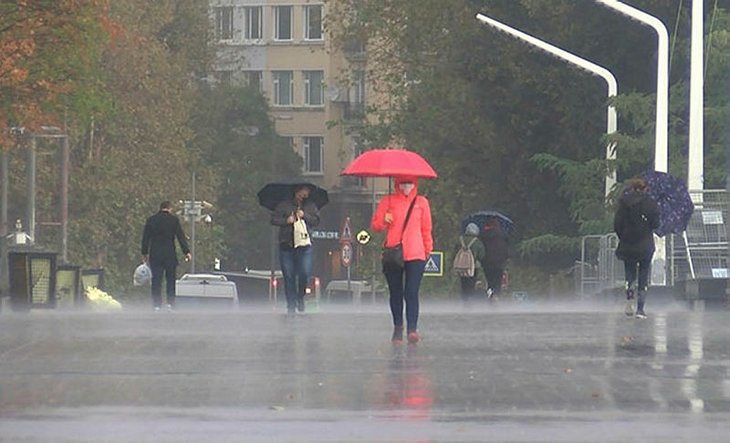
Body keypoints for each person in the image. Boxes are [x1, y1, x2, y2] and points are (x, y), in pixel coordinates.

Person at [371, 176, 432, 345]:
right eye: (403, 183)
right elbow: (375, 226)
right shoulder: (387, 201)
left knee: (411, 292)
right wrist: (385, 220)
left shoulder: (421, 202)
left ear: (415, 184)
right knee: (395, 292)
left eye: (410, 183)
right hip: (394, 253)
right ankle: (398, 327)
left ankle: (412, 328)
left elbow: (426, 228)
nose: (406, 187)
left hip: (416, 253)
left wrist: (427, 250)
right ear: (397, 184)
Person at [614, 178, 660, 319]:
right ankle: (640, 309)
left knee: (629, 273)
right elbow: (656, 224)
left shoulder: (624, 202)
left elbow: (617, 224)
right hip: (645, 244)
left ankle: (629, 298)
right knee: (643, 275)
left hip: (628, 243)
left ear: (632, 188)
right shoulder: (651, 203)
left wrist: (624, 236)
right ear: (645, 188)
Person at [271, 185, 320, 315]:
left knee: (304, 273)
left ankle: (300, 296)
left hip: (304, 245)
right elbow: (274, 219)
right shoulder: (284, 205)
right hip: (287, 245)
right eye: (304, 191)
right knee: (289, 276)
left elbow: (316, 220)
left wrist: (305, 216)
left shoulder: (310, 206)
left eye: (307, 191)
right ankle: (291, 304)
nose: (306, 194)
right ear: (297, 191)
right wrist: (286, 220)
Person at [141, 201, 191, 311]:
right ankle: (170, 304)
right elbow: (180, 237)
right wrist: (186, 252)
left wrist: (144, 253)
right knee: (171, 279)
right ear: (170, 208)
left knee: (156, 280)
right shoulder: (174, 220)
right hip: (169, 254)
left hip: (156, 254)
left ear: (160, 208)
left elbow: (146, 238)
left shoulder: (151, 220)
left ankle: (156, 305)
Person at [453, 222, 485, 303]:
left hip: (461, 266)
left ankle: (464, 299)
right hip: (473, 267)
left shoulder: (460, 240)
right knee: (471, 283)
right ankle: (470, 299)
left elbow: (454, 252)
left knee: (463, 282)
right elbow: (481, 255)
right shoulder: (477, 242)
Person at [479, 218, 509, 300]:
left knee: (490, 280)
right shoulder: (502, 235)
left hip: (487, 263)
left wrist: (482, 261)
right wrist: (505, 259)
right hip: (499, 263)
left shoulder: (482, 235)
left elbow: (482, 250)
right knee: (498, 281)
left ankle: (490, 294)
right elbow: (505, 249)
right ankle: (496, 296)